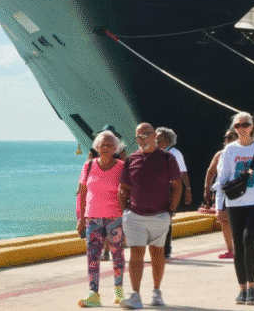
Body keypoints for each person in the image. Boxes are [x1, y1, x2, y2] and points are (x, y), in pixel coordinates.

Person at [118, 123, 183, 309]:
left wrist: (171, 211)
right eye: (138, 136)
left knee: (157, 253)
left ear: (154, 135)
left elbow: (177, 185)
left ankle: (156, 292)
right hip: (135, 216)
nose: (142, 139)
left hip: (159, 215)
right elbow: (123, 189)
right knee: (136, 254)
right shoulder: (131, 159)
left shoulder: (167, 158)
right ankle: (136, 296)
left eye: (146, 135)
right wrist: (125, 213)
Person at [215, 112, 254, 305]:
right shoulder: (229, 150)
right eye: (238, 125)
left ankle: (252, 286)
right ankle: (242, 289)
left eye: (245, 124)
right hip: (234, 204)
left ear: (252, 127)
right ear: (235, 128)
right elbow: (221, 179)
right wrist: (218, 206)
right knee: (238, 246)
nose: (242, 128)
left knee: (250, 240)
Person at [76, 130, 126, 307]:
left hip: (116, 217)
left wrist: (127, 218)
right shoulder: (88, 165)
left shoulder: (121, 166)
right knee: (92, 255)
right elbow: (82, 193)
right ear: (97, 147)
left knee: (117, 255)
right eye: (102, 144)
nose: (105, 147)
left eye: (109, 144)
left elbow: (127, 193)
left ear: (115, 148)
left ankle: (118, 291)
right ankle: (93, 293)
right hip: (93, 218)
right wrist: (81, 218)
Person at [155, 127, 191, 258]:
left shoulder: (174, 153)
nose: (157, 140)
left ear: (168, 140)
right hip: (155, 190)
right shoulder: (152, 153)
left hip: (170, 190)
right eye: (156, 138)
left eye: (160, 138)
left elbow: (183, 172)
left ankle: (166, 248)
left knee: (166, 219)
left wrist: (187, 190)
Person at [203, 129, 239, 259]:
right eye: (226, 137)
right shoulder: (220, 154)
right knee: (224, 220)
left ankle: (241, 248)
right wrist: (207, 188)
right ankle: (231, 250)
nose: (228, 140)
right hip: (225, 191)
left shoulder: (244, 152)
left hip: (241, 191)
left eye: (231, 137)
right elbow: (211, 171)